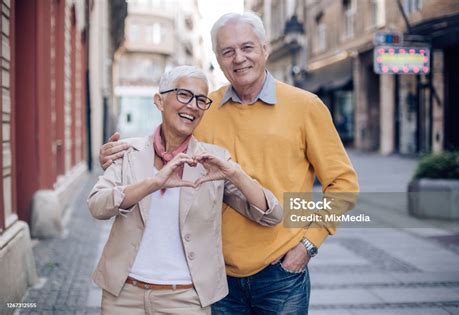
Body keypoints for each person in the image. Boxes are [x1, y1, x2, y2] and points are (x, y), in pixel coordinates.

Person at [100, 12, 359, 314]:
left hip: (281, 274)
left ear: (265, 49)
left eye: (247, 47)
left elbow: (343, 185)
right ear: (218, 59)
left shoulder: (306, 107)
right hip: (214, 276)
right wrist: (113, 154)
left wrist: (309, 244)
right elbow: (161, 146)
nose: (239, 59)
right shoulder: (204, 107)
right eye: (228, 51)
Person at [88, 65, 282, 315]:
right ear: (159, 100)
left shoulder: (213, 160)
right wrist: (153, 183)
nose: (193, 105)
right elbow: (96, 205)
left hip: (185, 298)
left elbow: (271, 215)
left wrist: (234, 172)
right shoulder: (129, 153)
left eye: (201, 100)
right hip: (123, 295)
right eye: (183, 95)